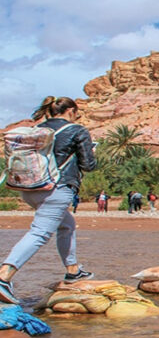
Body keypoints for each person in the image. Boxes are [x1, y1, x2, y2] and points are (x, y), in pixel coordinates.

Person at [0, 96, 97, 305]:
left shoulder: (38, 130)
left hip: (29, 189)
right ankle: (4, 276)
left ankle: (73, 271)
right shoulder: (76, 130)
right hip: (56, 189)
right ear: (71, 110)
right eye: (76, 112)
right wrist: (92, 153)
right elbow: (88, 165)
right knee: (40, 232)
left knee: (67, 224)